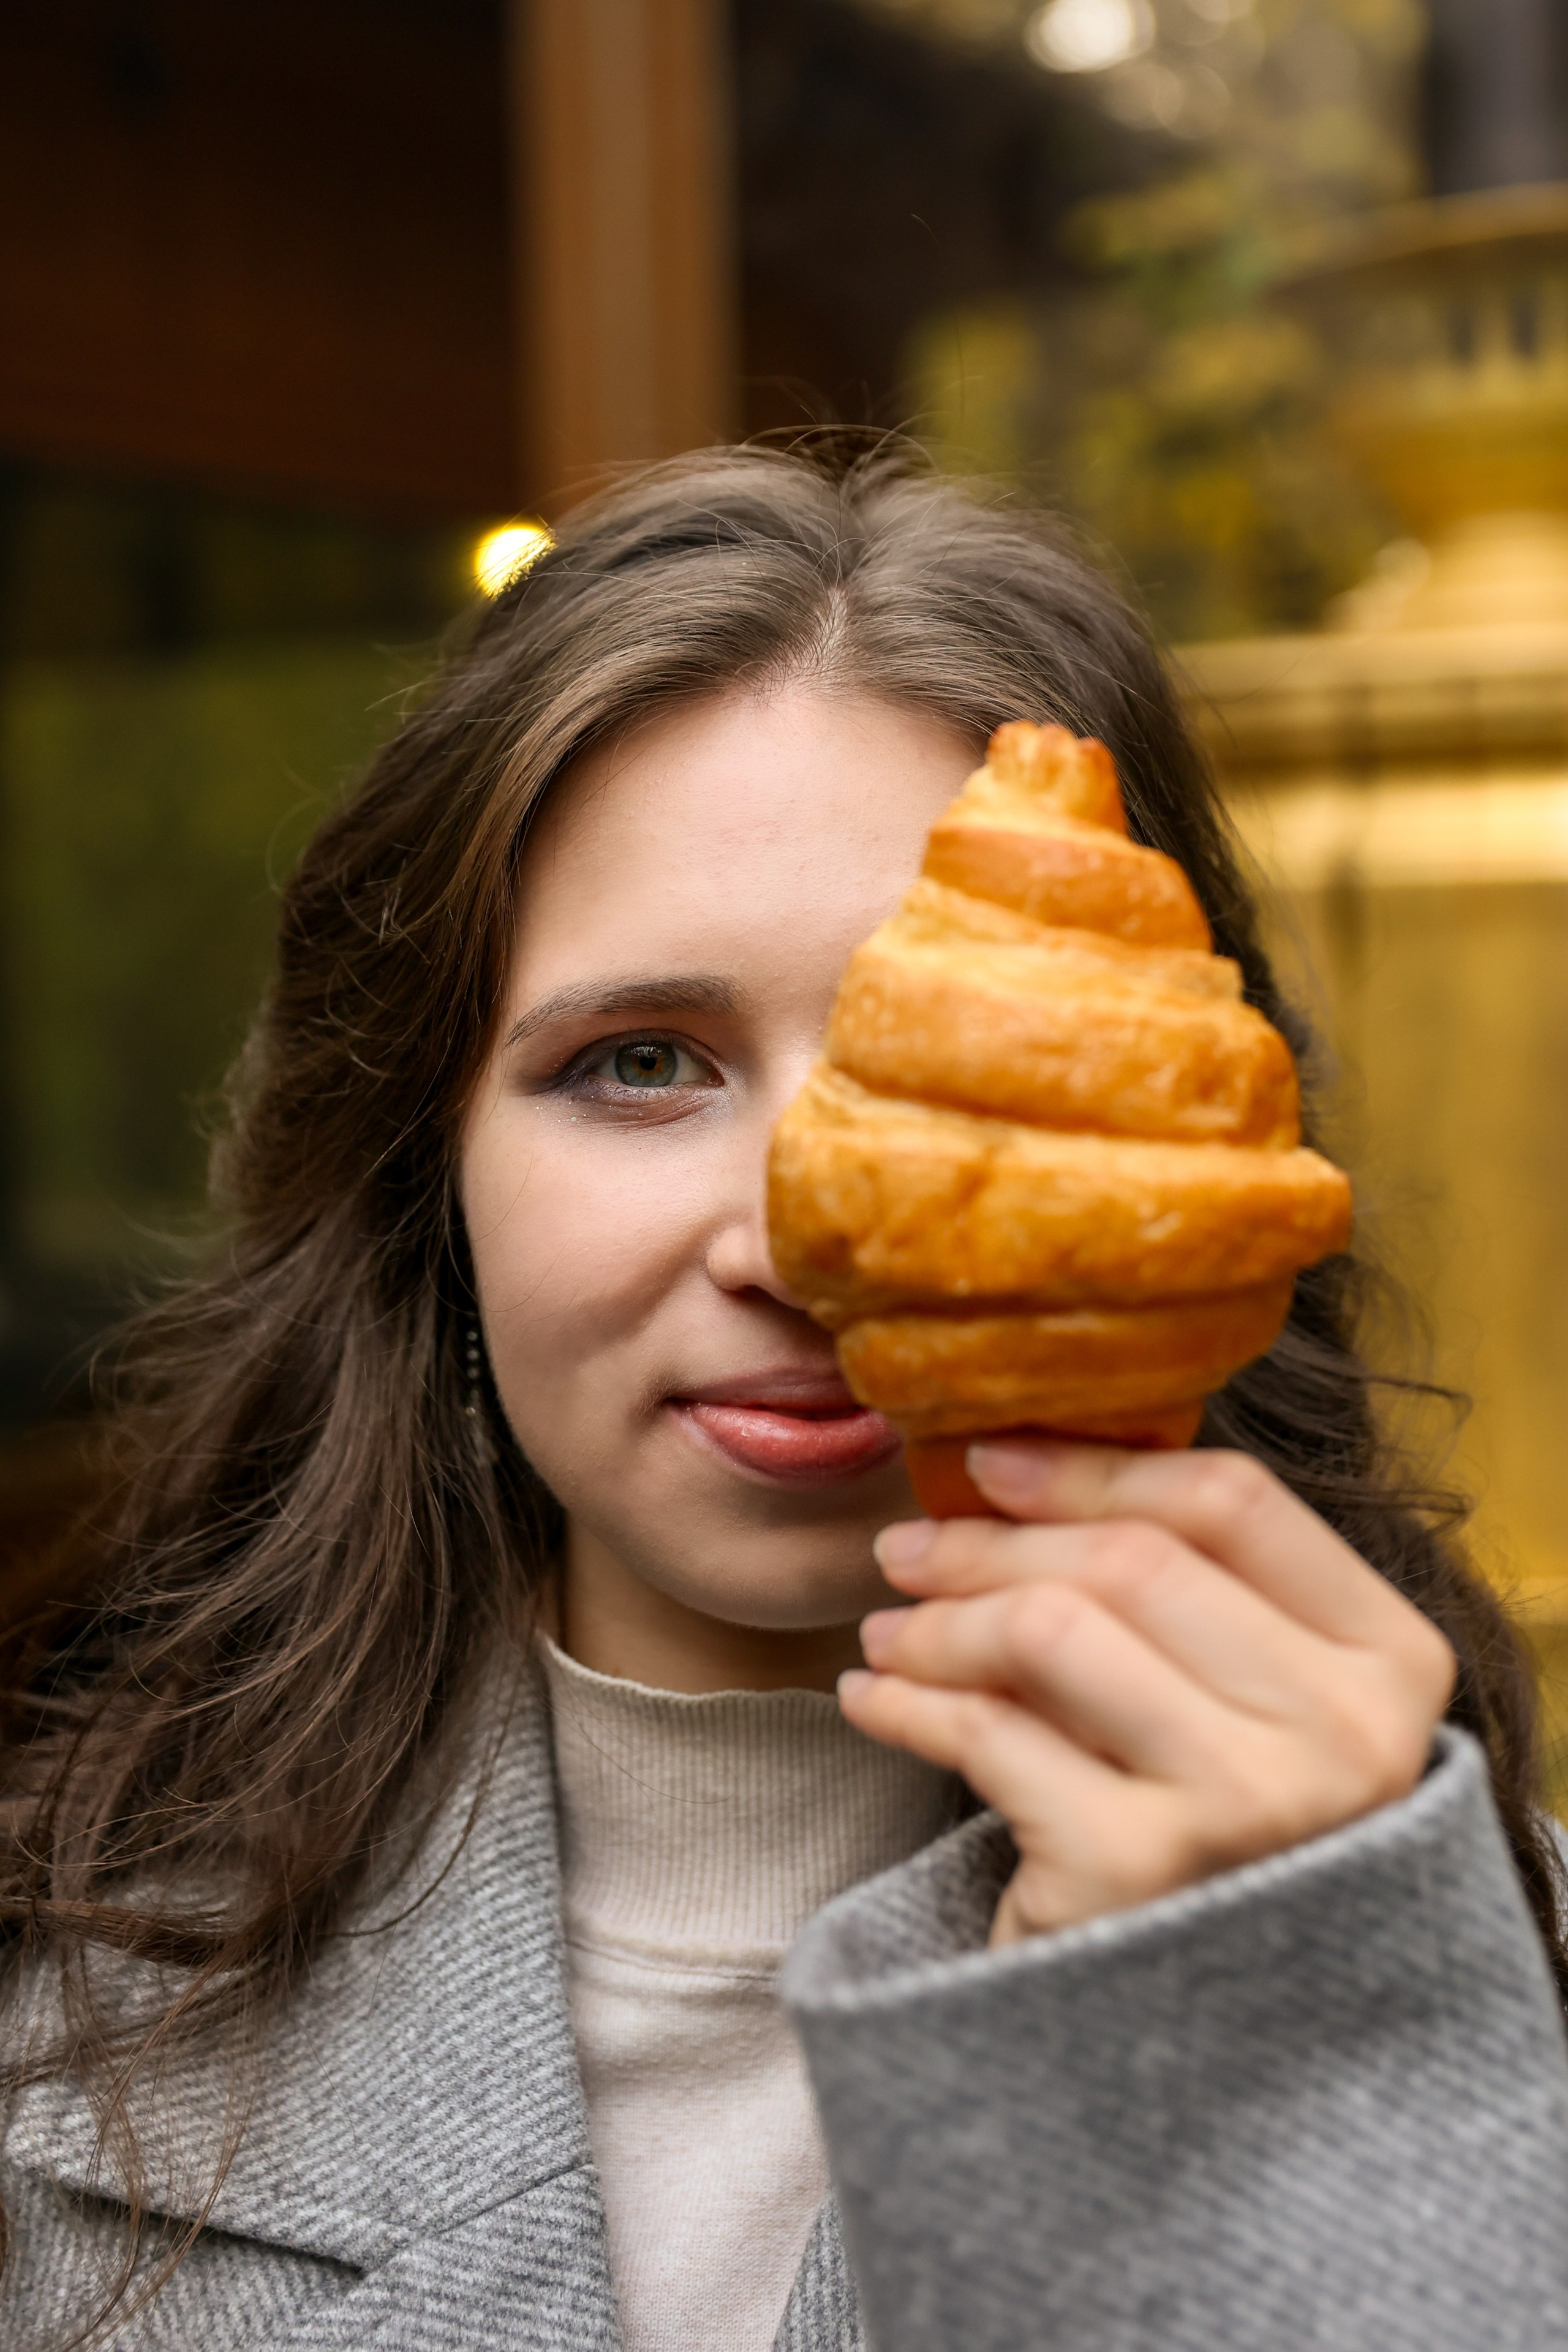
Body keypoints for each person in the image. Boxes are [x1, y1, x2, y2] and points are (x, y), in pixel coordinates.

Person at [2, 441, 1566, 2352]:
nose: (806, 1234)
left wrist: (1290, 2080)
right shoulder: (59, 2038)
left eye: (952, 1075)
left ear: (1190, 1146)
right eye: (643, 1063)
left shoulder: (1504, 2001)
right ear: (430, 1173)